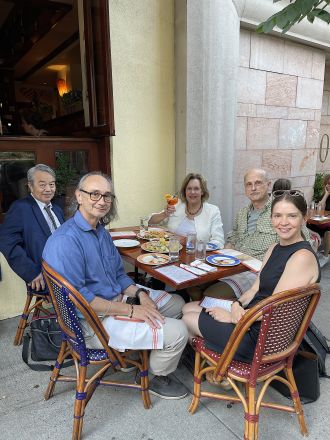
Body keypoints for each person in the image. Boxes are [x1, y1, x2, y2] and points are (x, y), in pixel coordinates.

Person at [42, 171, 188, 400]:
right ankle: (154, 375)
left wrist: (140, 293)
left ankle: (134, 353)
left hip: (115, 300)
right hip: (92, 324)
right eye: (94, 194)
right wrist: (132, 310)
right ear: (79, 197)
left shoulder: (101, 233)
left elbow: (119, 275)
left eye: (107, 196)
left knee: (177, 303)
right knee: (180, 331)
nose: (102, 201)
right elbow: (83, 302)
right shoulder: (66, 241)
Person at [182, 190, 320, 363]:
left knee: (187, 319)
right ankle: (217, 362)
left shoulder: (302, 257)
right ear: (271, 219)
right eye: (277, 216)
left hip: (261, 338)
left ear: (304, 218)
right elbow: (255, 289)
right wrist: (236, 306)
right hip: (252, 318)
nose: (283, 222)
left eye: (292, 216)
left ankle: (218, 369)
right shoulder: (274, 248)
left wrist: (235, 318)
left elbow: (275, 309)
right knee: (187, 307)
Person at [204, 169, 316, 300]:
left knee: (210, 294)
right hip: (233, 267)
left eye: (258, 183)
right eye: (248, 184)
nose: (253, 188)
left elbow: (304, 243)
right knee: (197, 286)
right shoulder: (242, 212)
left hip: (258, 275)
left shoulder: (279, 210)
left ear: (268, 185)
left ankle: (233, 315)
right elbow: (233, 235)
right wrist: (225, 253)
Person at [0, 164, 64, 290]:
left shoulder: (57, 209)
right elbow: (7, 242)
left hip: (69, 271)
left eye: (51, 184)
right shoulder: (21, 208)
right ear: (30, 186)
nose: (48, 189)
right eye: (42, 185)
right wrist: (31, 273)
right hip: (45, 276)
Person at [148, 173, 224, 248]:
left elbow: (219, 242)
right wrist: (165, 214)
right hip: (171, 253)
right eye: (189, 188)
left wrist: (188, 241)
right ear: (185, 191)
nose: (192, 192)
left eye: (196, 189)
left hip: (198, 257)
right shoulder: (177, 205)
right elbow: (150, 222)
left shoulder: (213, 211)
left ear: (202, 191)